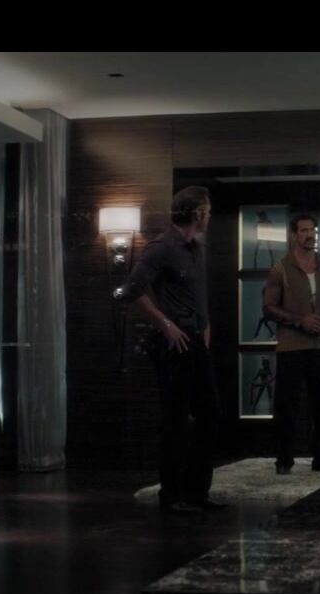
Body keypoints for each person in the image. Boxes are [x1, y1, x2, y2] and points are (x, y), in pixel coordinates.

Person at [115, 185, 225, 514]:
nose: (209, 217)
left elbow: (196, 295)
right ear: (196, 214)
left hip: (197, 340)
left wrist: (205, 325)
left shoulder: (198, 250)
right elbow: (131, 289)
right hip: (175, 343)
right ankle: (172, 495)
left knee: (209, 416)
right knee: (176, 419)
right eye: (207, 212)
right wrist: (164, 323)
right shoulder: (162, 248)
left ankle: (197, 493)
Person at [262, 214, 320, 475]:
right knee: (287, 405)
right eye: (304, 230)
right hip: (291, 347)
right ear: (294, 235)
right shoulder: (281, 268)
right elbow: (269, 307)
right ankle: (284, 459)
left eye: (312, 230)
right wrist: (300, 321)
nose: (309, 235)